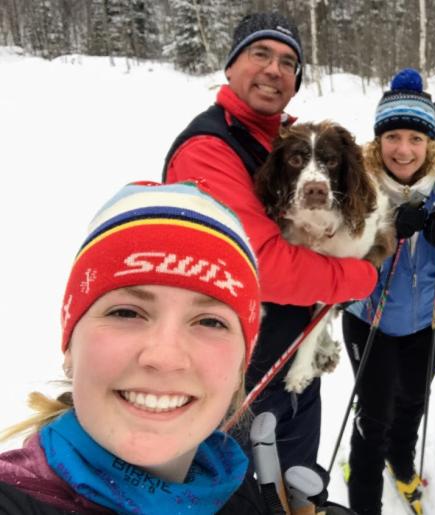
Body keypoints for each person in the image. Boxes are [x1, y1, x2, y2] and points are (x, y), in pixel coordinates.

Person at [163, 12, 378, 473]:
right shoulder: (209, 148)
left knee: (298, 485)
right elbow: (260, 267)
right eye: (260, 53)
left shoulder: (280, 137)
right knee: (242, 492)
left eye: (287, 61)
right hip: (236, 377)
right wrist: (359, 276)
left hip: (290, 361)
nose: (274, 69)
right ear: (231, 66)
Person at [0, 181, 264, 514]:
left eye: (210, 322)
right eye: (126, 312)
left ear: (242, 363)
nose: (164, 357)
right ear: (69, 346)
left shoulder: (241, 494)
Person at [342, 68, 435, 515]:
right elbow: (339, 273)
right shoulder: (358, 187)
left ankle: (401, 463)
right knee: (374, 412)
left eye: (416, 139)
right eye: (393, 136)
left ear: (432, 144)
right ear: (377, 140)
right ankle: (365, 498)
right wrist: (384, 235)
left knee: (413, 400)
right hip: (371, 320)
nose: (404, 149)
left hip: (433, 317)